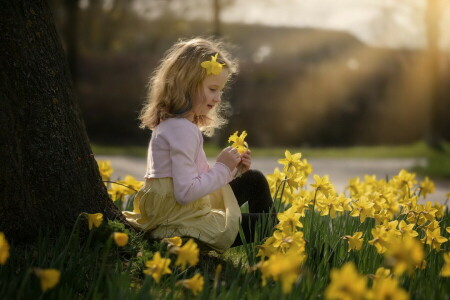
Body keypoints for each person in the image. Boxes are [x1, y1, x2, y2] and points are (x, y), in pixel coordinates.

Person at [123, 37, 275, 252]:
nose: (218, 98)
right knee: (267, 224)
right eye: (213, 89)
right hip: (182, 224)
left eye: (221, 90)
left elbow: (190, 182)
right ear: (186, 85)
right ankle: (277, 260)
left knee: (253, 179)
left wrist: (231, 170)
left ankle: (272, 257)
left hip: (177, 214)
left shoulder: (173, 126)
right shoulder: (183, 130)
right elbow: (186, 192)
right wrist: (222, 167)